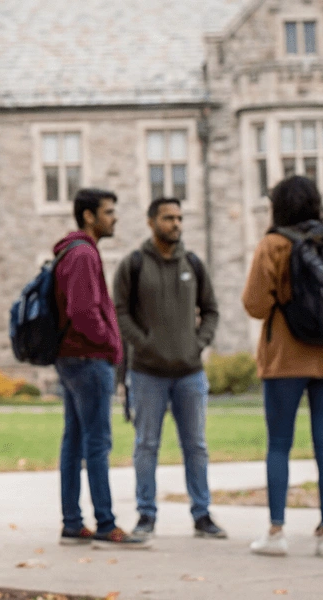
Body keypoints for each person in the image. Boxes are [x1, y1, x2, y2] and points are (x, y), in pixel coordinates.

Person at [243, 176, 323, 559]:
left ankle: (277, 531)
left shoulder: (273, 244)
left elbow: (255, 305)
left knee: (279, 443)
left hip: (287, 356)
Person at [112, 197, 223, 540]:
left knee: (197, 446)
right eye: (168, 218)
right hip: (147, 373)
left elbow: (211, 310)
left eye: (179, 218)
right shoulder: (133, 265)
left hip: (190, 373)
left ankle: (202, 514)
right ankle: (146, 515)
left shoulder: (193, 263)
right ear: (151, 222)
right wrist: (144, 343)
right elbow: (119, 313)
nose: (176, 224)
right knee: (146, 445)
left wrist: (197, 343)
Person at [51, 189, 149, 550]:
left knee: (75, 440)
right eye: (109, 212)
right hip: (88, 359)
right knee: (96, 443)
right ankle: (105, 522)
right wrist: (110, 344)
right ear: (89, 216)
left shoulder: (73, 251)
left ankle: (73, 523)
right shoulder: (81, 254)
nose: (115, 218)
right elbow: (83, 311)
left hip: (75, 358)